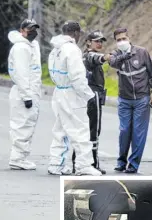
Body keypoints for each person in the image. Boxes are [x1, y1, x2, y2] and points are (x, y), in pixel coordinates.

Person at [47, 20, 102, 176]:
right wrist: (88, 95)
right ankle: (83, 166)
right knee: (80, 129)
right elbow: (77, 76)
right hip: (71, 93)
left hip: (59, 91)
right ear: (76, 33)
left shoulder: (56, 49)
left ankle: (56, 163)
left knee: (60, 129)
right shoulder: (72, 50)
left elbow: (52, 72)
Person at [108, 27, 152, 173]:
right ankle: (121, 161)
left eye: (124, 39)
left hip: (142, 99)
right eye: (119, 40)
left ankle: (133, 164)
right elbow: (112, 62)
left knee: (138, 132)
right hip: (124, 100)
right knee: (124, 130)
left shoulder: (142, 52)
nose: (122, 42)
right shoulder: (116, 55)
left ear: (129, 38)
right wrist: (125, 55)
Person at [70, 30, 110, 175]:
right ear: (88, 42)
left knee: (84, 130)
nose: (99, 44)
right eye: (96, 41)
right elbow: (97, 58)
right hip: (93, 96)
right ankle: (91, 164)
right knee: (94, 131)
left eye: (101, 41)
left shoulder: (84, 56)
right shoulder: (89, 56)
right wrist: (109, 57)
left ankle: (78, 162)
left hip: (87, 95)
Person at [7, 19, 42, 170]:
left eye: (34, 29)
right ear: (22, 30)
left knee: (27, 124)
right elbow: (21, 74)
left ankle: (21, 157)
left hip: (30, 90)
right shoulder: (21, 48)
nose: (32, 32)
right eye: (29, 29)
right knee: (22, 125)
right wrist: (27, 96)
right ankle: (17, 158)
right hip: (23, 92)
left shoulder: (32, 45)